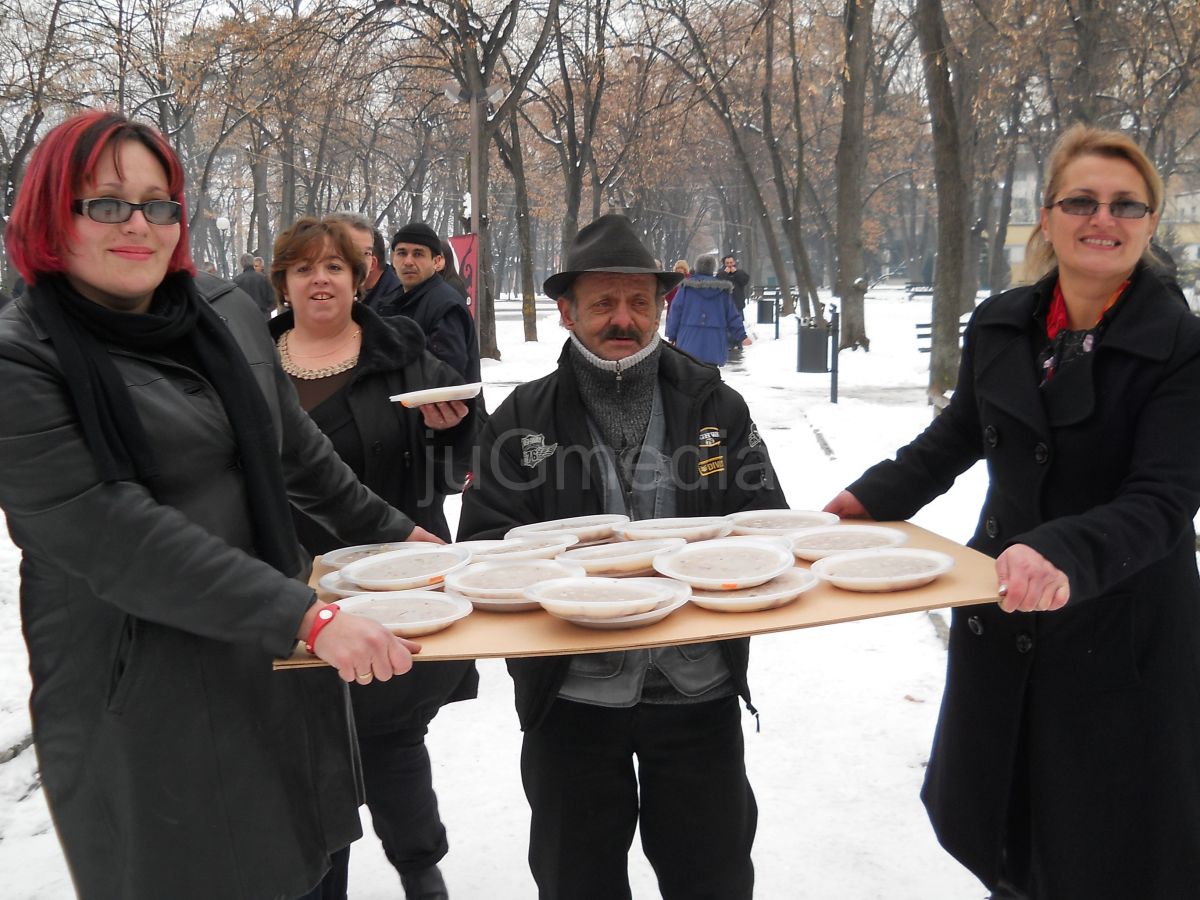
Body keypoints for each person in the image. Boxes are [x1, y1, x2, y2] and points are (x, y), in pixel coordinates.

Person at [0, 109, 436, 900]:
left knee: (309, 861)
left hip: (275, 663)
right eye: (106, 203)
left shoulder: (220, 313)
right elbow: (111, 533)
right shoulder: (21, 359)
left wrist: (401, 534)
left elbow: (294, 450)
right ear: (47, 215)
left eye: (159, 203)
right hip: (144, 692)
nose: (140, 224)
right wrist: (308, 616)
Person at [824, 124, 1200, 899]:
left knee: (1107, 850)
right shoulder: (1003, 323)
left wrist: (1059, 549)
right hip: (1003, 615)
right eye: (1084, 201)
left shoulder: (1182, 347)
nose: (1106, 219)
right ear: (1050, 218)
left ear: (1151, 224)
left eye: (1128, 205)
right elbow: (957, 436)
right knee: (1013, 834)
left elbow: (1163, 499)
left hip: (1120, 634)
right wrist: (862, 503)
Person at [457, 213, 787, 900]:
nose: (623, 318)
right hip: (571, 696)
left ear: (662, 305)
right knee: (576, 880)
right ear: (566, 309)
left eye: (639, 301)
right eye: (604, 302)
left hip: (698, 691)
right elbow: (484, 548)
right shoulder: (522, 420)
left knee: (714, 876)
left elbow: (769, 530)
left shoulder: (716, 407)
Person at [268, 216, 478, 900]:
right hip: (287, 595)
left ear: (360, 280)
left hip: (395, 587)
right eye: (304, 268)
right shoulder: (250, 364)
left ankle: (420, 867)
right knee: (305, 757)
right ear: (284, 283)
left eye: (335, 266)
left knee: (389, 740)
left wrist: (453, 434)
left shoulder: (401, 355)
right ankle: (325, 881)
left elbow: (455, 467)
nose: (320, 278)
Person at [375, 222, 481, 383]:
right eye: (402, 253)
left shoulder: (446, 305)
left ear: (437, 261)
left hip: (444, 407)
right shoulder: (389, 301)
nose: (408, 261)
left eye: (418, 254)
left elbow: (448, 376)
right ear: (393, 258)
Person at [665, 254, 750, 366]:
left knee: (689, 376)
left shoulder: (686, 289)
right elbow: (732, 315)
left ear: (697, 267)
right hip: (714, 344)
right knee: (710, 377)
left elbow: (675, 312)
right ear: (713, 268)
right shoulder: (722, 292)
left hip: (688, 341)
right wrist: (742, 335)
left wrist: (672, 335)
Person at [233, 250, 276, 317]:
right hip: (263, 317)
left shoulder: (236, 281)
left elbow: (234, 303)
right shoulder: (264, 278)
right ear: (253, 263)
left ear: (242, 264)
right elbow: (273, 299)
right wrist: (267, 311)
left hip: (245, 318)